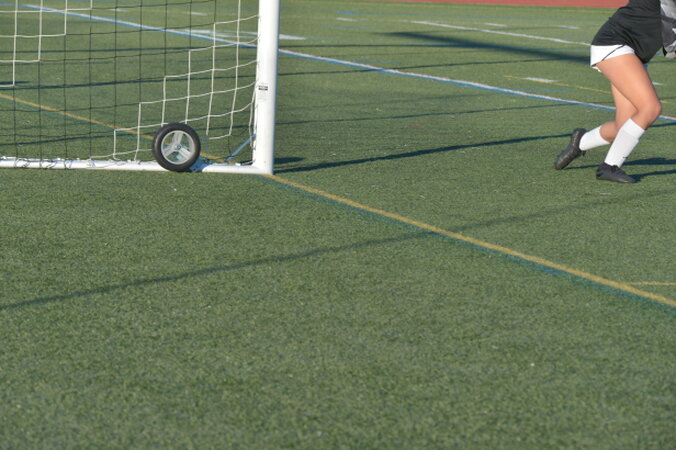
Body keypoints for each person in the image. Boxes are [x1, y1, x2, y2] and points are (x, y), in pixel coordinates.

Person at [554, 0, 675, 183]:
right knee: (651, 108)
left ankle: (581, 142)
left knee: (623, 127)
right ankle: (609, 167)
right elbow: (671, 44)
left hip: (633, 54)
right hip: (615, 45)